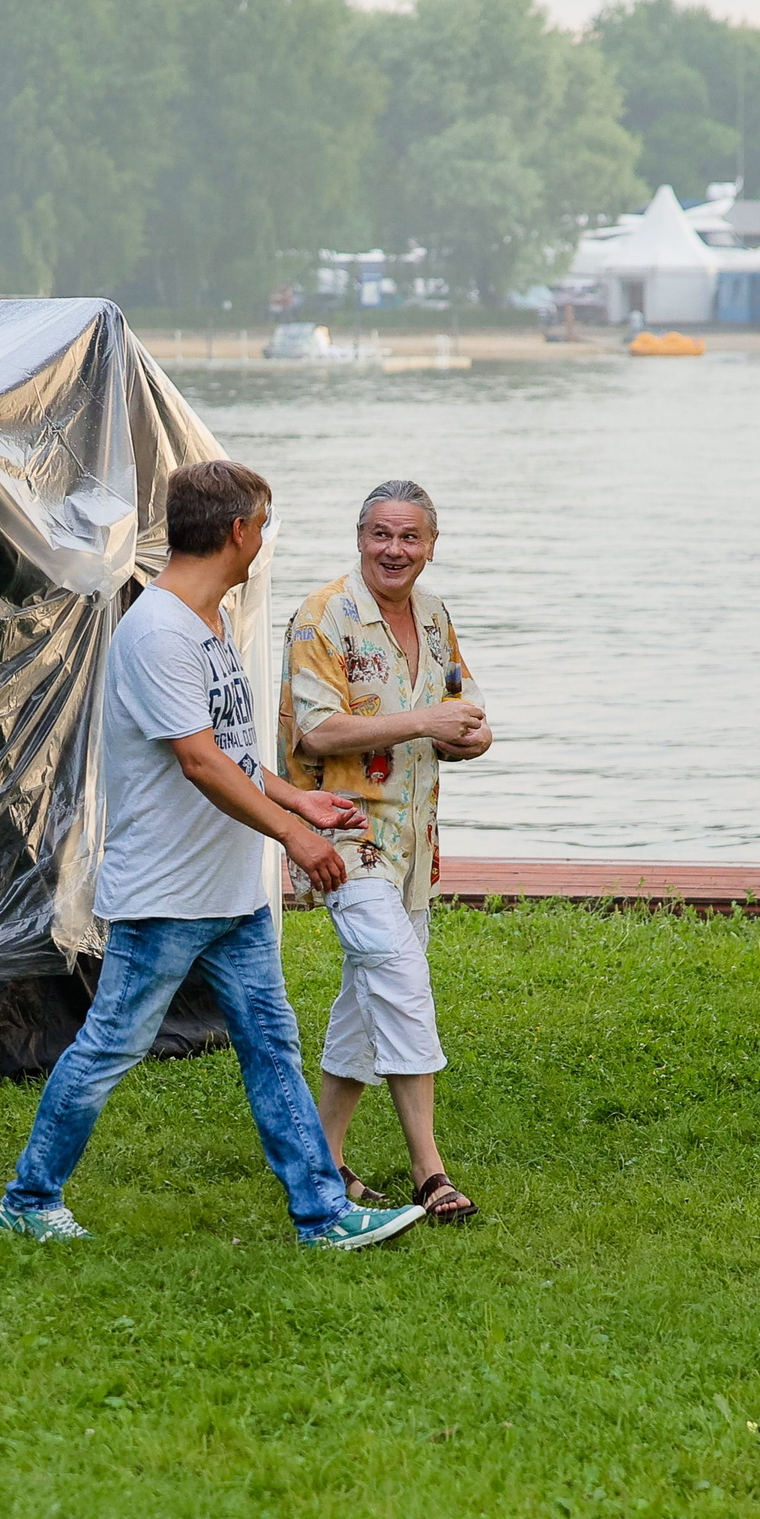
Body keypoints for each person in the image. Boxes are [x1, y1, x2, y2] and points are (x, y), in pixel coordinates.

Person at [0, 460, 426, 1250]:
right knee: (109, 1046)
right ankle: (29, 1195)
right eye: (261, 524)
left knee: (272, 1043)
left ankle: (322, 1214)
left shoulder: (211, 621)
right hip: (166, 893)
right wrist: (293, 836)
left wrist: (297, 799)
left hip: (228, 891)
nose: (263, 538)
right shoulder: (158, 631)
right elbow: (198, 762)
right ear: (237, 531)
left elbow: (230, 750)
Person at [281, 479, 492, 1222]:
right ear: (359, 537)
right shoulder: (324, 616)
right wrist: (424, 717)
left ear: (432, 545)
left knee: (366, 1001)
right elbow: (317, 730)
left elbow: (455, 709)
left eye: (409, 537)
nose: (393, 549)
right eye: (380, 534)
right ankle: (429, 1171)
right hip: (343, 832)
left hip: (414, 840)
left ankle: (321, 1159)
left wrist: (468, 733)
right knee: (399, 978)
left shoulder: (434, 616)